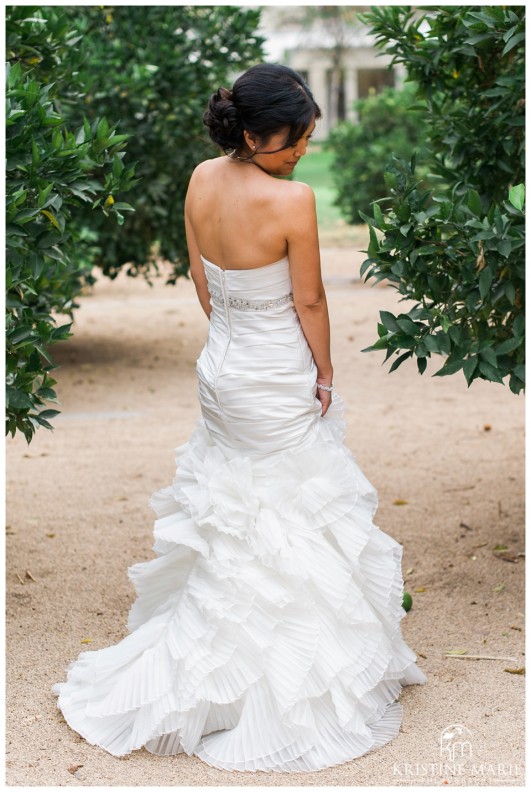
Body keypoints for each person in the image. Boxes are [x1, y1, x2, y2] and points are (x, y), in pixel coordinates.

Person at [52, 63, 426, 773]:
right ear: (253, 133)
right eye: (292, 141)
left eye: (307, 139)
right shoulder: (292, 202)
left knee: (240, 511)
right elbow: (310, 302)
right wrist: (322, 371)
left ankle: (224, 662)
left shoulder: (199, 178)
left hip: (220, 370)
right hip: (275, 371)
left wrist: (228, 340)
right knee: (290, 512)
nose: (301, 153)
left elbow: (201, 276)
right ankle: (282, 680)